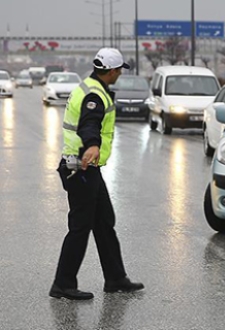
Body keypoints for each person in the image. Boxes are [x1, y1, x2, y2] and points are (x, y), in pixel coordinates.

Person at [50, 48, 144, 300]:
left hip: (87, 168)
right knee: (80, 227)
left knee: (104, 222)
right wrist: (92, 144)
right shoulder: (95, 94)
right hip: (80, 168)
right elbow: (89, 122)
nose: (119, 75)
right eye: (118, 71)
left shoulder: (89, 86)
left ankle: (115, 279)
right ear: (112, 71)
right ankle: (62, 284)